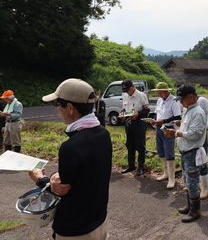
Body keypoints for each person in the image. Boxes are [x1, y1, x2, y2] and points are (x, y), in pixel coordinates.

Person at [29, 78, 113, 239]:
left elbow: (61, 191)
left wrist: (40, 178)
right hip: (99, 221)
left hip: (76, 228)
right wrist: (55, 177)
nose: (58, 110)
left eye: (58, 106)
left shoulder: (72, 146)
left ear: (70, 107)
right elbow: (82, 177)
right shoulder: (103, 134)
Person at [165, 84, 206, 223]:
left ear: (190, 97)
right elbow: (189, 129)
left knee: (193, 182)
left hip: (192, 153)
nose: (180, 102)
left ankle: (196, 211)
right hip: (186, 152)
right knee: (187, 180)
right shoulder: (189, 110)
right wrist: (179, 125)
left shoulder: (198, 112)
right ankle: (190, 205)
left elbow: (195, 134)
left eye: (182, 99)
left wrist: (176, 132)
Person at [150, 82, 181, 188]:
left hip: (169, 128)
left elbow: (177, 116)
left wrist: (164, 120)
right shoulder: (159, 100)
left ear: (166, 91)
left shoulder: (174, 101)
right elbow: (156, 113)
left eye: (160, 92)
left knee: (169, 152)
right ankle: (166, 173)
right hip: (159, 128)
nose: (158, 93)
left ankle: (172, 178)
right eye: (158, 92)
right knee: (161, 151)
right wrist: (154, 120)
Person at [120, 79, 150, 175]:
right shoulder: (125, 96)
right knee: (130, 144)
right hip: (128, 122)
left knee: (140, 145)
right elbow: (125, 108)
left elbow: (147, 110)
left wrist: (138, 113)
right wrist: (122, 113)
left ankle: (141, 166)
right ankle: (131, 165)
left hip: (139, 122)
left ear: (133, 87)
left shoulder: (141, 96)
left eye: (128, 90)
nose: (127, 93)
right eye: (125, 91)